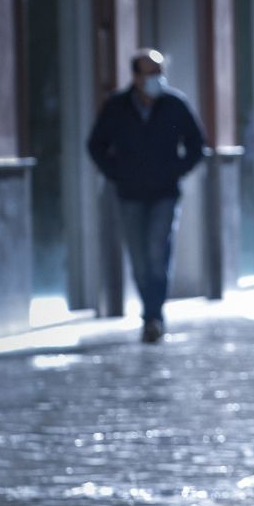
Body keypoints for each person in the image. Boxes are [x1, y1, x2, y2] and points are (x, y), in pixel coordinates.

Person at [86, 48, 207, 343]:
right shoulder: (117, 107)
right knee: (139, 259)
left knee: (157, 252)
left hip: (165, 192)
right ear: (136, 77)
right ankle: (150, 311)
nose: (156, 78)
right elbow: (95, 144)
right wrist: (117, 173)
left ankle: (153, 316)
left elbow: (196, 143)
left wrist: (176, 170)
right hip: (129, 193)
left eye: (159, 72)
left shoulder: (174, 104)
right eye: (150, 73)